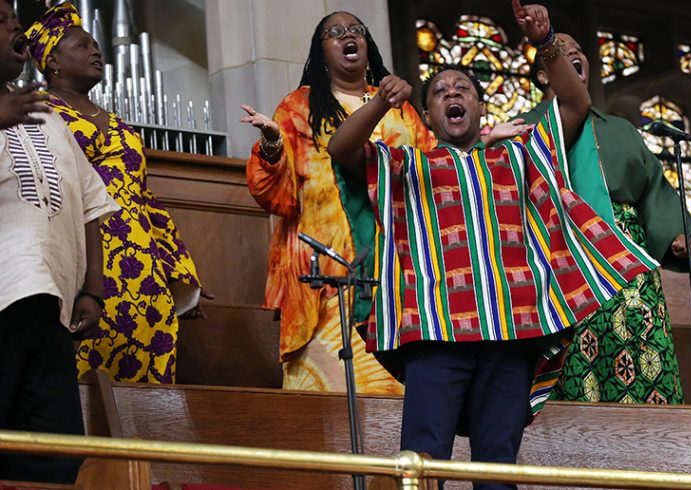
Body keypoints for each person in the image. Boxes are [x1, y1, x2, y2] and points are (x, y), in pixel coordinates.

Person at [328, 1, 657, 485]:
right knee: (420, 463)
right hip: (435, 333)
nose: (452, 93)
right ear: (429, 113)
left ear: (481, 109)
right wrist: (378, 102)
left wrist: (547, 44)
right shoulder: (405, 166)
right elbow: (341, 149)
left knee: (497, 468)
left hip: (510, 334)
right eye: (440, 91)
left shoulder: (521, 156)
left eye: (463, 88)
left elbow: (576, 105)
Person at [241, 11, 434, 395]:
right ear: (322, 52)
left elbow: (430, 178)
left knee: (393, 400)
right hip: (323, 270)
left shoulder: (401, 108)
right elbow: (274, 196)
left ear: (368, 46)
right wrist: (273, 144)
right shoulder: (299, 107)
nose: (349, 36)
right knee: (328, 399)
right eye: (336, 33)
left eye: (357, 31)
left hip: (394, 271)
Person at [25, 3, 206, 384]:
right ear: (53, 61)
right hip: (86, 256)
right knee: (82, 374)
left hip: (140, 264)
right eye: (82, 45)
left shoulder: (119, 123)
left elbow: (146, 199)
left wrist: (177, 271)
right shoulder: (39, 112)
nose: (96, 51)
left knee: (147, 379)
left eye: (96, 45)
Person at [519, 33, 691, 404]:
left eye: (577, 50)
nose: (572, 54)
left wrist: (681, 233)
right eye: (560, 51)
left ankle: (655, 449)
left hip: (627, 255)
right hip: (562, 254)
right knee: (574, 359)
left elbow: (654, 189)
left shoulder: (621, 129)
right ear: (543, 75)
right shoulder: (524, 127)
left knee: (643, 348)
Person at [0, 0, 121, 482]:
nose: (15, 26)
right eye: (1, 20)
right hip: (5, 295)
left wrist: (92, 288)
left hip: (51, 306)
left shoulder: (49, 116)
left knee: (53, 451)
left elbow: (92, 202)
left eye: (14, 17)